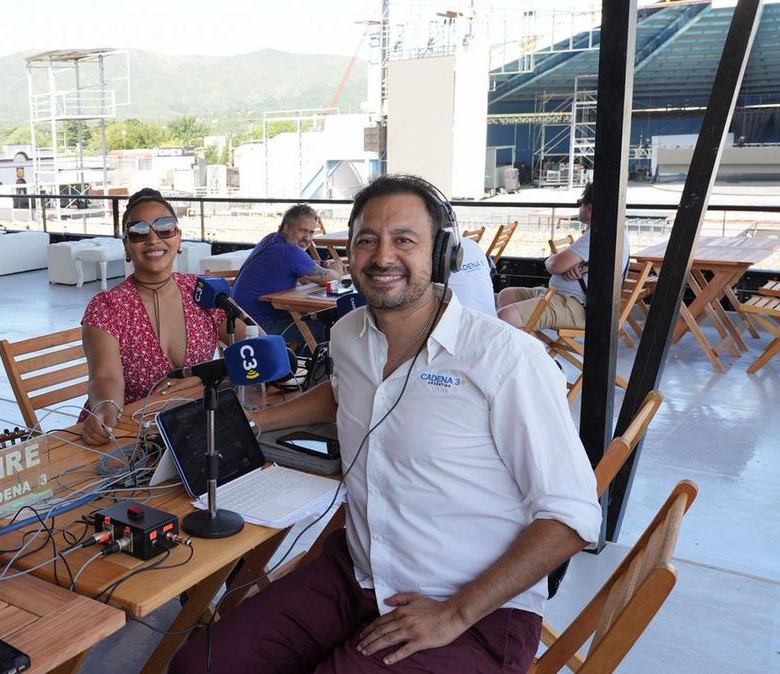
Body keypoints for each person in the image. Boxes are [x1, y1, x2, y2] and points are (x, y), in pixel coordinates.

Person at [171, 175, 601, 673]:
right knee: (198, 666)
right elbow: (344, 392)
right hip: (356, 573)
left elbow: (572, 517)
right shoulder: (349, 334)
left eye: (404, 239)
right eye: (367, 240)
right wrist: (255, 420)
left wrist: (455, 613)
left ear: (442, 253)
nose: (382, 257)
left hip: (473, 611)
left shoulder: (508, 359)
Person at [80, 188, 244, 446]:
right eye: (138, 232)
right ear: (126, 246)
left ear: (178, 238)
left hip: (194, 424)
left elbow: (254, 348)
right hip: (128, 431)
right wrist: (106, 409)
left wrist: (207, 376)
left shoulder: (204, 292)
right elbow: (105, 377)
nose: (153, 239)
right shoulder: (107, 307)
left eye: (165, 228)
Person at [496, 183, 626, 329]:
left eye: (580, 203)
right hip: (559, 295)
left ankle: (528, 342)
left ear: (589, 208)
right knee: (506, 295)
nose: (579, 207)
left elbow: (554, 265)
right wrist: (576, 266)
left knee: (506, 316)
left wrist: (552, 260)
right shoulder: (609, 232)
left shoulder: (599, 235)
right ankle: (525, 338)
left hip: (577, 306)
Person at [230, 204, 346, 338]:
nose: (308, 238)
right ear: (286, 228)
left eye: (311, 232)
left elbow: (302, 262)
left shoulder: (272, 239)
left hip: (237, 321)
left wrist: (325, 263)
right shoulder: (289, 252)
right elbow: (331, 279)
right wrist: (337, 266)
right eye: (303, 231)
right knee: (334, 328)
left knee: (315, 318)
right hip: (256, 327)